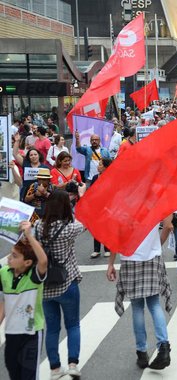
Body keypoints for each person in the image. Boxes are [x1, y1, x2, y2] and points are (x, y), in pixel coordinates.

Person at [107, 216, 174, 370]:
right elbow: (169, 226)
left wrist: (110, 263)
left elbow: (115, 238)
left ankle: (142, 353)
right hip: (152, 257)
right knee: (154, 304)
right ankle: (163, 347)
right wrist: (156, 245)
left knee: (137, 307)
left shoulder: (123, 205)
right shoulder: (153, 201)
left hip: (130, 259)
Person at [37, 189, 86, 379]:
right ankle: (72, 364)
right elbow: (84, 223)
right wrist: (80, 197)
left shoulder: (39, 227)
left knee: (53, 327)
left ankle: (55, 368)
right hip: (67, 282)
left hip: (46, 285)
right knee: (73, 324)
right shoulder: (70, 228)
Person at [0, 221, 47, 380]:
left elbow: (43, 261)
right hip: (11, 333)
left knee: (29, 375)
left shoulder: (34, 276)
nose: (9, 258)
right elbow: (4, 301)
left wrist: (29, 236)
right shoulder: (4, 273)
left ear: (27, 262)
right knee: (14, 373)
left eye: (14, 256)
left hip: (31, 333)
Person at [89, 157, 112, 258]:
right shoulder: (95, 177)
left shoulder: (112, 178)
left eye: (101, 164)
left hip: (108, 206)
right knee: (96, 228)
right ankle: (96, 249)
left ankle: (107, 248)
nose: (98, 166)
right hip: (96, 206)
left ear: (106, 167)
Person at [13, 135, 48, 202]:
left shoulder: (45, 168)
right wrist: (17, 141)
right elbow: (15, 154)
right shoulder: (25, 164)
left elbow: (48, 182)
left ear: (39, 155)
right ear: (28, 157)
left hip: (40, 193)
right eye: (31, 155)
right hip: (26, 193)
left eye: (35, 154)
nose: (33, 156)